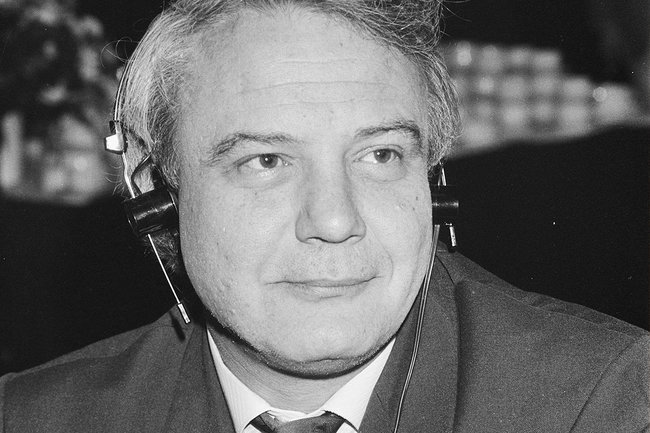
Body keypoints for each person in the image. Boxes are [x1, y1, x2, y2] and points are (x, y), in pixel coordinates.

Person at [1, 0, 648, 432]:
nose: (335, 221)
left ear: (433, 178)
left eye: (381, 155)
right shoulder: (34, 418)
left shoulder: (605, 401)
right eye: (266, 161)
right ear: (154, 190)